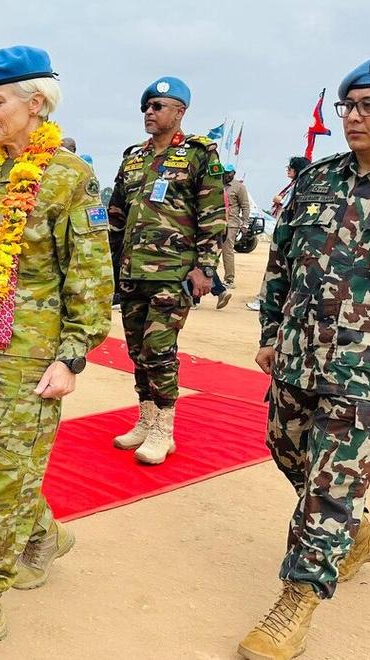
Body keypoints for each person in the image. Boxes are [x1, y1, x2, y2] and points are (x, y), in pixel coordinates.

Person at [0, 46, 113, 660]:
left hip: (29, 355)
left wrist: (72, 355)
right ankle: (43, 534)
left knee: (1, 477)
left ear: (36, 103)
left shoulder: (68, 176)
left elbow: (90, 273)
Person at [239, 58, 370, 660]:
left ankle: (298, 597)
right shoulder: (317, 180)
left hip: (360, 371)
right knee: (286, 448)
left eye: (368, 107)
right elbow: (280, 264)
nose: (355, 118)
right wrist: (271, 331)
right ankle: (348, 526)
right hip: (297, 355)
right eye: (350, 106)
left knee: (327, 484)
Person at [107, 76, 225, 465]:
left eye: (158, 107)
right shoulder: (133, 158)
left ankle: (164, 429)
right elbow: (116, 216)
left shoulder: (198, 155)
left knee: (159, 350)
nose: (149, 112)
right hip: (133, 272)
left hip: (172, 274)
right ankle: (145, 419)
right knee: (137, 351)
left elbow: (213, 216)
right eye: (147, 107)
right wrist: (111, 265)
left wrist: (205, 268)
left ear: (180, 112)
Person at [246, 155, 311, 311]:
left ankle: (265, 300)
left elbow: (293, 206)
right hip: (285, 232)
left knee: (276, 271)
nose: (288, 171)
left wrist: (280, 201)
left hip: (289, 235)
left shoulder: (301, 185)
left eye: (290, 168)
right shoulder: (295, 185)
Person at [221, 162, 250, 288]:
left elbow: (245, 206)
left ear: (233, 173)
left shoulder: (239, 187)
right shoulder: (218, 184)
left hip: (231, 223)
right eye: (225, 172)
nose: (226, 175)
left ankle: (229, 280)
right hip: (217, 222)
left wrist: (245, 224)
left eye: (229, 173)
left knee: (227, 251)